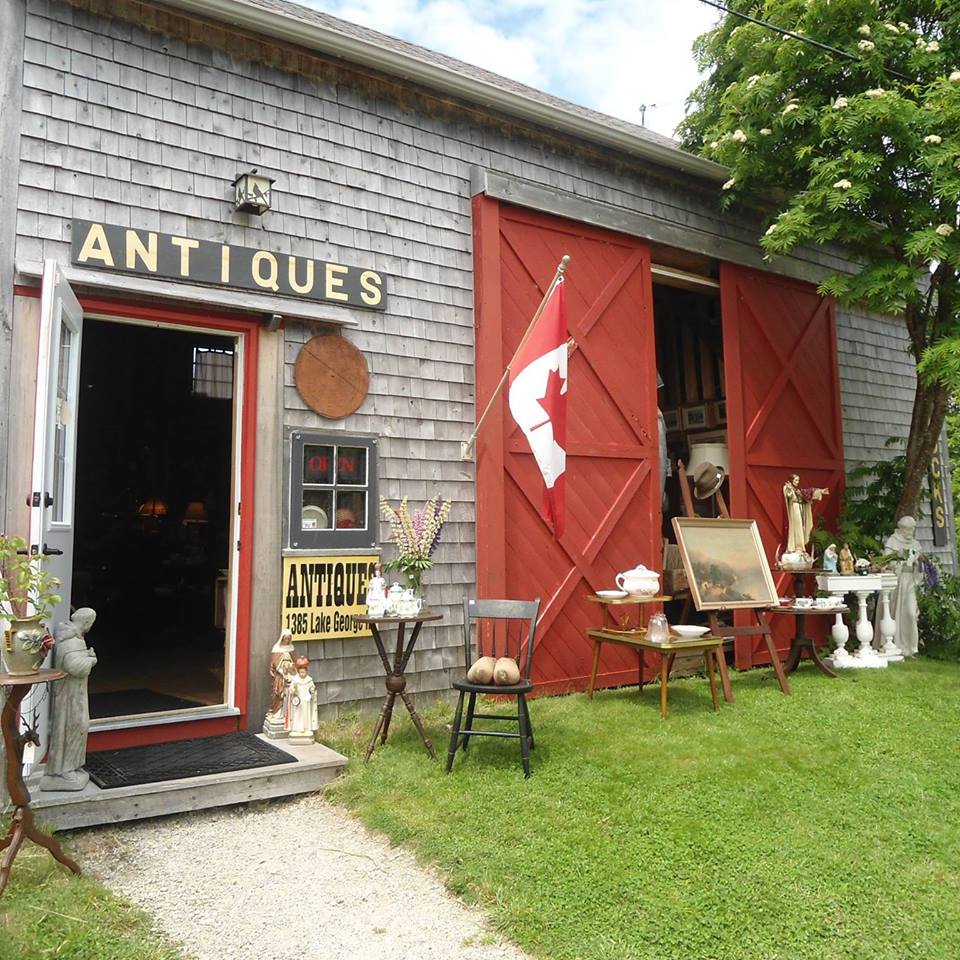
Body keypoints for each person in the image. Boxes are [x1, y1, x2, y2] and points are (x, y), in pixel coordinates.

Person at [39, 608, 98, 793]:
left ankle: (73, 764)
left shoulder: (75, 638)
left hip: (76, 693)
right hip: (68, 696)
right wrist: (91, 661)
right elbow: (75, 666)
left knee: (79, 726)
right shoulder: (69, 640)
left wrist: (87, 656)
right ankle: (63, 770)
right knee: (72, 726)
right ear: (87, 622)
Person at [883, 516, 922, 656]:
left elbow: (921, 565)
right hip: (897, 581)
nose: (911, 532)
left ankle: (911, 647)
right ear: (902, 529)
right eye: (908, 529)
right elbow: (887, 562)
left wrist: (916, 562)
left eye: (912, 529)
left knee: (911, 613)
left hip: (910, 581)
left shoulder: (916, 544)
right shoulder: (893, 541)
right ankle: (894, 644)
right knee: (895, 612)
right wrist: (903, 562)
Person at [783, 474, 829, 555]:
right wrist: (790, 489)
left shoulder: (798, 490)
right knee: (797, 527)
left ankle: (800, 546)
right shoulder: (788, 487)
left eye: (798, 480)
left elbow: (809, 492)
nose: (797, 482)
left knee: (801, 527)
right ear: (791, 480)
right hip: (795, 508)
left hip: (800, 508)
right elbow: (789, 495)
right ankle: (795, 546)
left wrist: (821, 491)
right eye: (796, 480)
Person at [287, 657, 318, 741]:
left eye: (303, 672)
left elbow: (313, 689)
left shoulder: (309, 680)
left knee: (306, 714)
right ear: (298, 672)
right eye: (300, 672)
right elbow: (291, 690)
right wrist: (293, 689)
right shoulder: (295, 680)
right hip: (298, 702)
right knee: (298, 714)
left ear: (306, 672)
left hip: (306, 701)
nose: (302, 674)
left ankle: (306, 728)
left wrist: (312, 690)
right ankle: (297, 728)